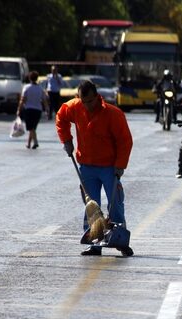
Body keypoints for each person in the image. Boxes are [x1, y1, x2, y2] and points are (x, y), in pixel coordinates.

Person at [56, 80, 133, 256]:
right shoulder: (74, 107)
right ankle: (95, 244)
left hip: (109, 167)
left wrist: (120, 165)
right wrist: (66, 140)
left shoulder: (113, 114)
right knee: (92, 206)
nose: (87, 105)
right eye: (83, 101)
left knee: (115, 205)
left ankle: (121, 241)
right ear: (79, 98)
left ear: (97, 97)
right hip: (86, 166)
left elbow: (125, 141)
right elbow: (61, 117)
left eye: (90, 101)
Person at [17, 71, 48, 149]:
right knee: (33, 128)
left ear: (29, 78)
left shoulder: (26, 87)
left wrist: (19, 109)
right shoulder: (40, 88)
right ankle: (28, 144)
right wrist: (47, 109)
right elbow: (44, 100)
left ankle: (36, 142)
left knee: (31, 128)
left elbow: (22, 99)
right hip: (38, 110)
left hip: (29, 109)